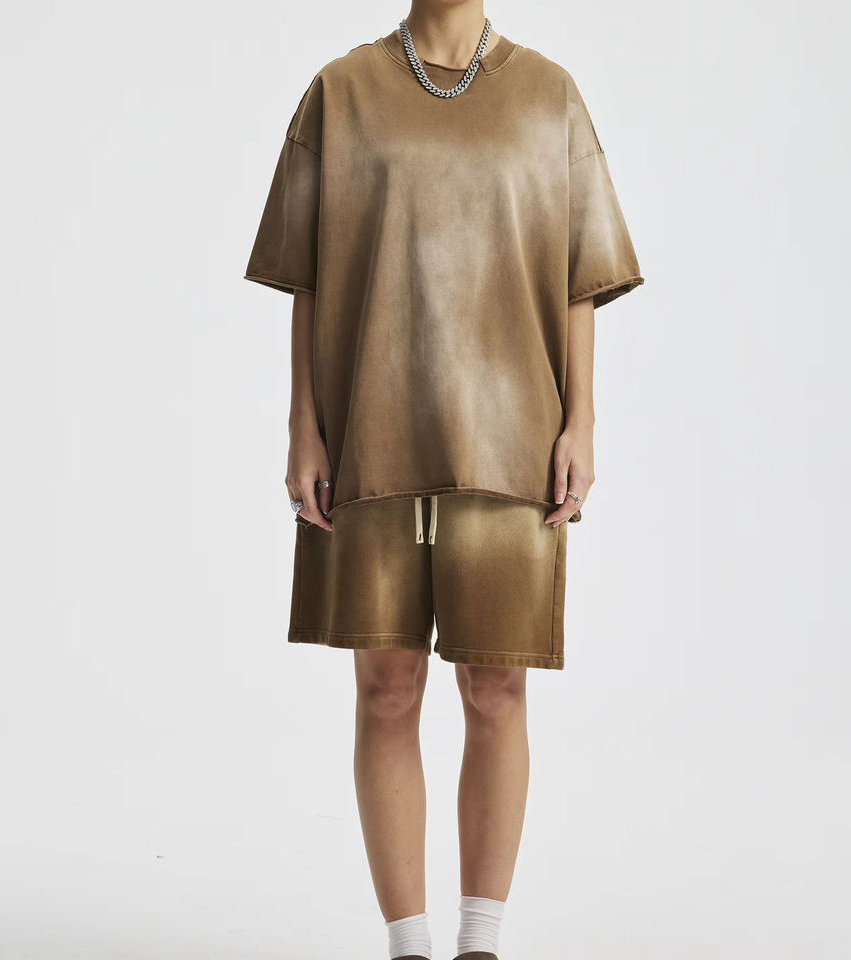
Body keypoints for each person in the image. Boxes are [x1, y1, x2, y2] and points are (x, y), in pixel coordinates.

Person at [243, 3, 644, 957]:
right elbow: (305, 278)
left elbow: (580, 279)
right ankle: (409, 946)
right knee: (386, 685)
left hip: (511, 441)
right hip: (370, 431)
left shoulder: (548, 96)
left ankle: (481, 943)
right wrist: (304, 426)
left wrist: (581, 422)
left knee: (495, 687)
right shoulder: (341, 94)